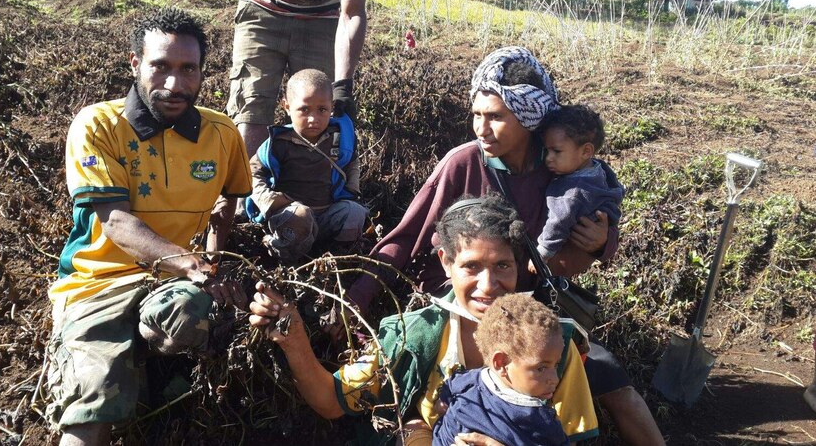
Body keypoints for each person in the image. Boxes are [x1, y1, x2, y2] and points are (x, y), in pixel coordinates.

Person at [340, 47, 664, 445]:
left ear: (529, 120)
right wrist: (353, 300)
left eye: (495, 117)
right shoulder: (461, 163)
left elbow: (593, 231)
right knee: (432, 410)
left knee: (616, 386)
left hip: (529, 310)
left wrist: (603, 241)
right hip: (460, 304)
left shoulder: (561, 171)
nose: (482, 128)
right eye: (477, 115)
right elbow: (407, 238)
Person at [47, 8, 252, 446]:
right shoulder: (98, 124)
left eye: (188, 69)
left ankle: (150, 362)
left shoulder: (221, 132)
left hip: (169, 281)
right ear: (135, 63)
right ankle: (110, 368)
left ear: (202, 73)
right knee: (93, 406)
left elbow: (229, 200)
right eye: (160, 66)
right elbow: (116, 221)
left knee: (186, 315)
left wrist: (213, 259)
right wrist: (195, 265)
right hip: (96, 283)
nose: (175, 84)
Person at [249, 194, 599, 446]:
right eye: (472, 267)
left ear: (519, 266)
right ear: (446, 263)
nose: (488, 285)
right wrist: (294, 340)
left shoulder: (555, 342)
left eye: (502, 266)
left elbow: (573, 438)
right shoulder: (416, 333)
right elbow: (333, 401)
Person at [227, 0, 379, 159]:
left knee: (315, 119)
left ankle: (302, 187)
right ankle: (244, 186)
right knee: (251, 110)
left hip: (321, 17)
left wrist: (342, 85)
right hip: (262, 1)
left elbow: (352, 12)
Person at [246, 69, 368, 263]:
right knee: (300, 217)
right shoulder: (278, 143)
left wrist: (352, 188)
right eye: (304, 109)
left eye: (322, 110)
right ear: (286, 106)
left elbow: (352, 160)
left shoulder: (339, 137)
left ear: (332, 107)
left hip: (327, 212)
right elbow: (252, 172)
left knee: (354, 213)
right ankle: (281, 252)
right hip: (290, 216)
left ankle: (338, 258)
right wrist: (267, 200)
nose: (314, 119)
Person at [433, 293, 569, 446]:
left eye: (556, 365)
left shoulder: (471, 380)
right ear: (501, 363)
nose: (555, 379)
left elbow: (451, 386)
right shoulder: (539, 422)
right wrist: (443, 402)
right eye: (541, 368)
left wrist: (443, 402)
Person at [535, 104, 624, 262]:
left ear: (586, 151)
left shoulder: (572, 193)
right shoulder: (598, 167)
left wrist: (543, 252)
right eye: (546, 151)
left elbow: (559, 221)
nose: (548, 158)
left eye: (556, 151)